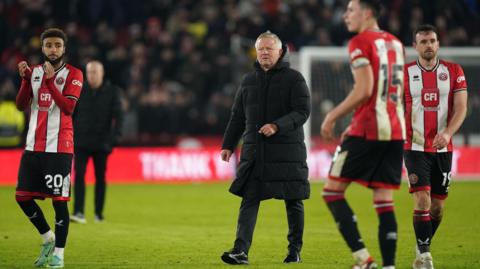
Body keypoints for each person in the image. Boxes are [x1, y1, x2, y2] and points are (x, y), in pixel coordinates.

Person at [320, 1, 405, 268]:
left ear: (367, 13)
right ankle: (389, 266)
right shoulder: (396, 43)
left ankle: (363, 259)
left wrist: (332, 115)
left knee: (332, 192)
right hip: (394, 129)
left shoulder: (359, 42)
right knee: (383, 199)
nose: (345, 15)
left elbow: (365, 89)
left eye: (351, 10)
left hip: (368, 129)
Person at [220, 31, 311, 265]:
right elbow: (238, 116)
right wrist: (228, 145)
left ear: (280, 52)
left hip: (287, 152)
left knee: (293, 200)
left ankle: (294, 251)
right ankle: (240, 250)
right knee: (249, 199)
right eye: (260, 49)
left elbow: (302, 112)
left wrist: (277, 126)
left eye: (269, 48)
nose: (264, 53)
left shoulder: (295, 79)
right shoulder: (248, 80)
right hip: (256, 152)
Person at [15, 28, 83, 268]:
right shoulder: (33, 72)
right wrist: (25, 80)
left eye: (57, 45)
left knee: (59, 202)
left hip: (60, 148)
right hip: (33, 146)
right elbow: (21, 105)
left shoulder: (74, 74)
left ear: (64, 49)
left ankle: (59, 256)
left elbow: (67, 108)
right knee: (22, 197)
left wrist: (51, 79)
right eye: (48, 45)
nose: (53, 49)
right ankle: (47, 238)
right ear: (42, 48)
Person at [404, 24, 468, 269]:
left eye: (432, 41)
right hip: (414, 146)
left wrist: (448, 132)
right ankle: (425, 256)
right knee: (422, 201)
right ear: (415, 46)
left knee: (438, 208)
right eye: (423, 41)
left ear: (438, 44)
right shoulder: (407, 73)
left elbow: (461, 107)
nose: (428, 45)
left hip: (444, 148)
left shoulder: (454, 71)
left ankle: (422, 244)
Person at [70, 60, 123, 224]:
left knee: (100, 177)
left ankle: (98, 214)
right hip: (81, 141)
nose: (92, 75)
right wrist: (69, 135)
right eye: (89, 72)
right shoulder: (80, 90)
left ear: (102, 73)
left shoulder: (112, 91)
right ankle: (79, 212)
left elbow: (119, 116)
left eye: (95, 72)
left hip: (102, 142)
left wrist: (115, 138)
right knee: (79, 175)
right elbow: (71, 114)